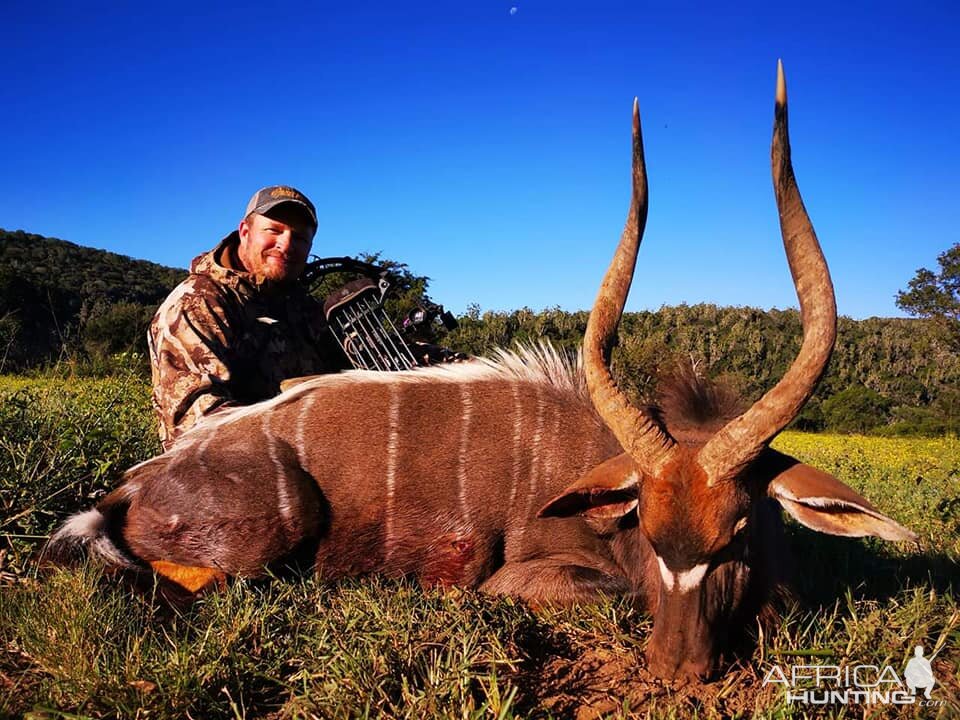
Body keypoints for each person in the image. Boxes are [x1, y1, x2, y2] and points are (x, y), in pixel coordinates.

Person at [148, 185, 351, 450]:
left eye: (299, 238)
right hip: (231, 473)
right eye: (274, 230)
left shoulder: (299, 304)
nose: (286, 245)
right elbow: (199, 427)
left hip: (311, 457)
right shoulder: (197, 303)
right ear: (245, 232)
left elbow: (346, 369)